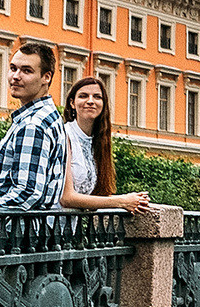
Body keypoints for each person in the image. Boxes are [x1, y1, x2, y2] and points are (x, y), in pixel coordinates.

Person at [0, 41, 69, 209]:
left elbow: (27, 193)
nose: (16, 76)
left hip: (5, 232)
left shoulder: (33, 124)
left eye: (26, 71)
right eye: (13, 68)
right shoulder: (47, 116)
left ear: (46, 77)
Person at [59, 76, 152, 213]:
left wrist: (134, 199)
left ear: (103, 105)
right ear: (72, 103)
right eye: (83, 96)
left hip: (72, 228)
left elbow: (95, 195)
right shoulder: (64, 134)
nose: (90, 101)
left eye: (97, 97)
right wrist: (122, 201)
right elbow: (66, 198)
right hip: (50, 227)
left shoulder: (99, 141)